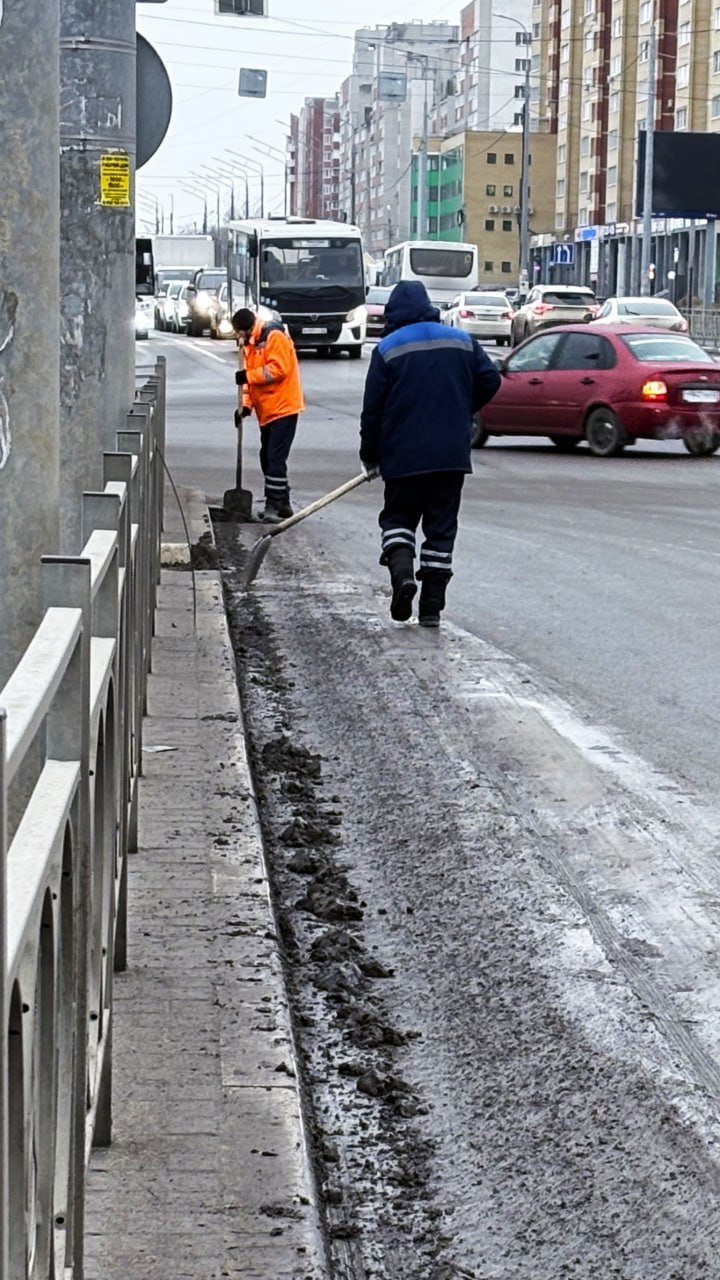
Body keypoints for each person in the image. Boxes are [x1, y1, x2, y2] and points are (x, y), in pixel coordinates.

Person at [359, 280, 501, 627]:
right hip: (450, 456)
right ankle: (432, 607)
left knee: (398, 520)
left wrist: (370, 454)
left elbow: (372, 411)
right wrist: (462, 408)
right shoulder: (462, 340)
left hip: (402, 455)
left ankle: (403, 577)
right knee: (440, 528)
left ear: (393, 313)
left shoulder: (387, 349)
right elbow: (491, 380)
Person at [232, 307, 305, 522]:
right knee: (267, 457)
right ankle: (283, 503)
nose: (238, 337)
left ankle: (274, 505)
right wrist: (245, 407)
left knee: (275, 458)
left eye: (238, 332)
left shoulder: (274, 336)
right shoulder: (250, 345)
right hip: (267, 410)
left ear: (246, 329)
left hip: (283, 407)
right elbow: (248, 386)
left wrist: (248, 375)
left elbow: (277, 370)